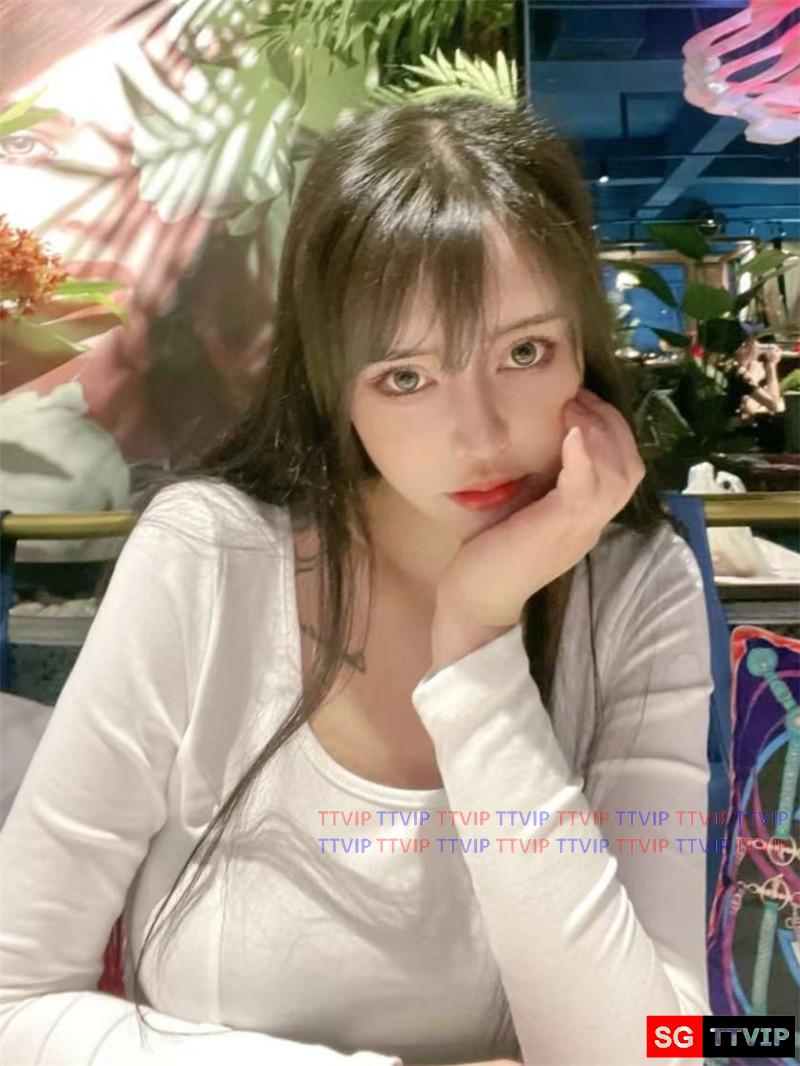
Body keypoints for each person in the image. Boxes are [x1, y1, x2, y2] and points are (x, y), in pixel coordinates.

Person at [0, 95, 715, 1066]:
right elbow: (16, 1000)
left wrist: (476, 637)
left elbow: (661, 1046)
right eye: (405, 376)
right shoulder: (212, 556)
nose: (478, 434)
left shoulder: (633, 588)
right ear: (331, 383)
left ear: (580, 349)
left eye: (523, 351)